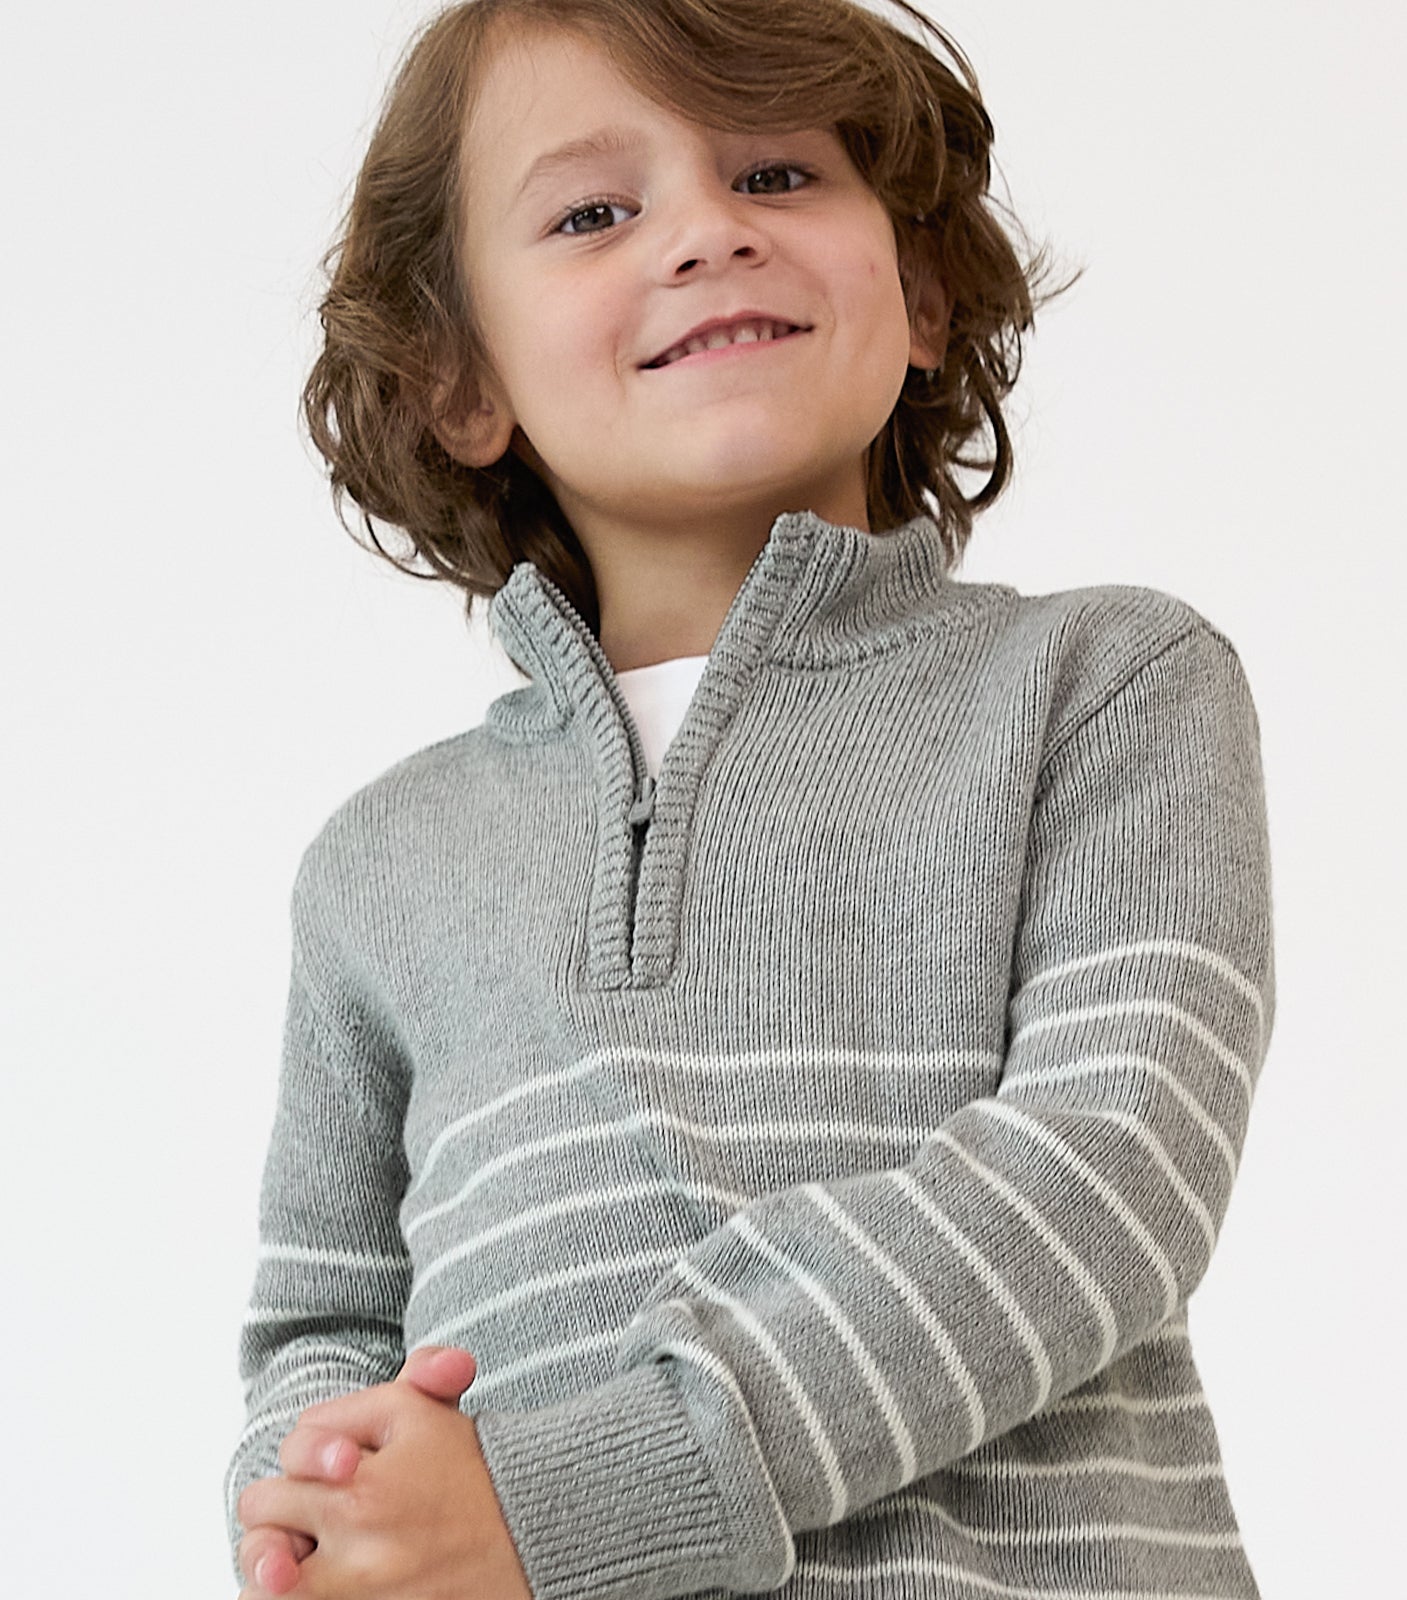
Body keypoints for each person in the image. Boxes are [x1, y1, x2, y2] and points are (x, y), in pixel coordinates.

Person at [226, 0, 1277, 1595]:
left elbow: (1108, 1173)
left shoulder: (1110, 685)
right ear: (459, 381)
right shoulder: (380, 864)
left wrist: (568, 1497)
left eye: (778, 176)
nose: (707, 235)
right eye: (593, 211)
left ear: (920, 294)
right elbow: (320, 1330)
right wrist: (325, 1512)